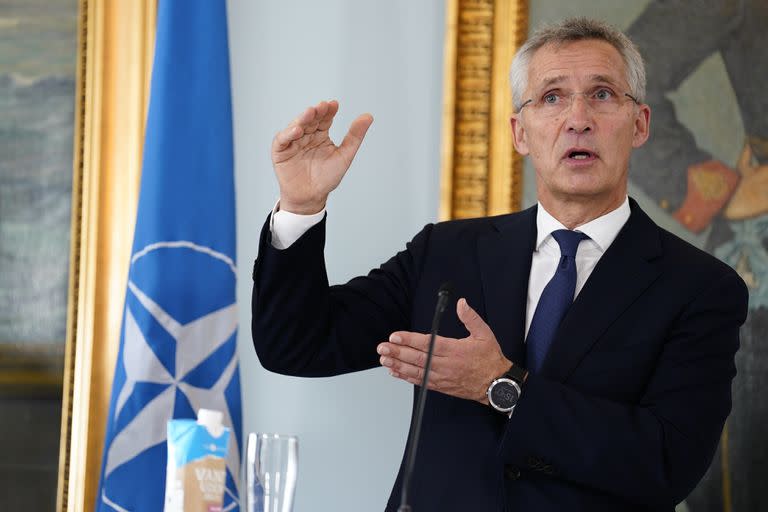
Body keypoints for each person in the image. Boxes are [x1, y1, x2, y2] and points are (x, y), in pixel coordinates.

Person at [251, 18, 748, 511]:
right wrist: (300, 206)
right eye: (552, 97)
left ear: (639, 124)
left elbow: (667, 462)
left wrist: (501, 386)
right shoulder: (446, 253)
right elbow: (297, 346)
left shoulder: (701, 288)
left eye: (602, 95)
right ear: (520, 133)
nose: (578, 118)